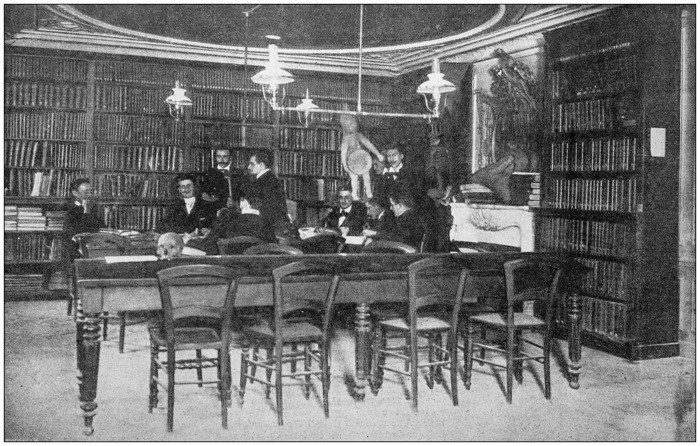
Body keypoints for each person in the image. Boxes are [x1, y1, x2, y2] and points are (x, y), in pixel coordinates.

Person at [338, 114, 385, 201]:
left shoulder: (359, 135)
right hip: (351, 162)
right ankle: (354, 193)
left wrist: (378, 154)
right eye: (350, 125)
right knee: (354, 178)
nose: (353, 126)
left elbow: (368, 144)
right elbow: (343, 153)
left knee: (366, 176)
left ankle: (369, 192)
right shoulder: (346, 139)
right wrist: (344, 165)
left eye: (354, 124)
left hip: (362, 159)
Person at [243, 150, 288, 231]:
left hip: (269, 226)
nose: (249, 167)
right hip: (270, 223)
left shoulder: (265, 181)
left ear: (262, 165)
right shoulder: (269, 178)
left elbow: (266, 209)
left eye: (252, 164)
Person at [62, 177, 104, 261]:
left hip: (94, 250)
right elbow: (78, 234)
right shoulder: (70, 210)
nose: (90, 195)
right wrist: (86, 212)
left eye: (91, 192)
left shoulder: (93, 208)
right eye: (86, 192)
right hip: (76, 255)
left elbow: (101, 228)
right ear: (75, 193)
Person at [373, 142, 424, 210]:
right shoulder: (382, 177)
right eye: (389, 156)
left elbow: (419, 198)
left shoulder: (412, 174)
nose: (391, 159)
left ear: (401, 156)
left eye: (394, 155)